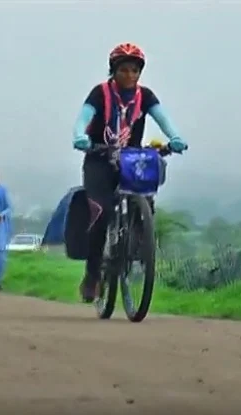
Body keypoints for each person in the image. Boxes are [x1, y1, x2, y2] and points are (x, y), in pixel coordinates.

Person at [72, 42, 188, 303]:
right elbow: (83, 118)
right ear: (114, 71)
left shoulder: (144, 96)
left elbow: (163, 118)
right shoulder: (100, 93)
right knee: (100, 213)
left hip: (130, 159)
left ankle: (137, 245)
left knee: (145, 201)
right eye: (124, 70)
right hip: (99, 157)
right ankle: (92, 275)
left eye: (134, 70)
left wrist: (176, 137)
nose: (129, 75)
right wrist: (80, 136)